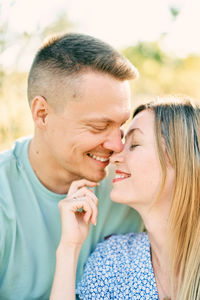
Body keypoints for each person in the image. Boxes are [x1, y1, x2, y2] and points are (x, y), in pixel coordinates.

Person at [0, 33, 142, 299]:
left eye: (121, 126)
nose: (117, 145)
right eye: (99, 127)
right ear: (42, 114)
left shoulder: (131, 185)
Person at [50, 96, 200, 300]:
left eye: (135, 144)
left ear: (182, 158)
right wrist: (69, 247)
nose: (114, 157)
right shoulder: (112, 260)